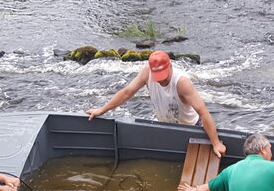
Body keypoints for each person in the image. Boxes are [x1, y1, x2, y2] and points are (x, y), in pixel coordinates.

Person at [86, 50, 227, 157]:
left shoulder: (181, 82)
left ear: (170, 66)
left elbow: (203, 112)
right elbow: (127, 92)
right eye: (157, 77)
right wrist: (101, 110)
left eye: (163, 77)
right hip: (166, 126)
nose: (160, 81)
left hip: (190, 127)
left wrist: (215, 143)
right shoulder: (147, 73)